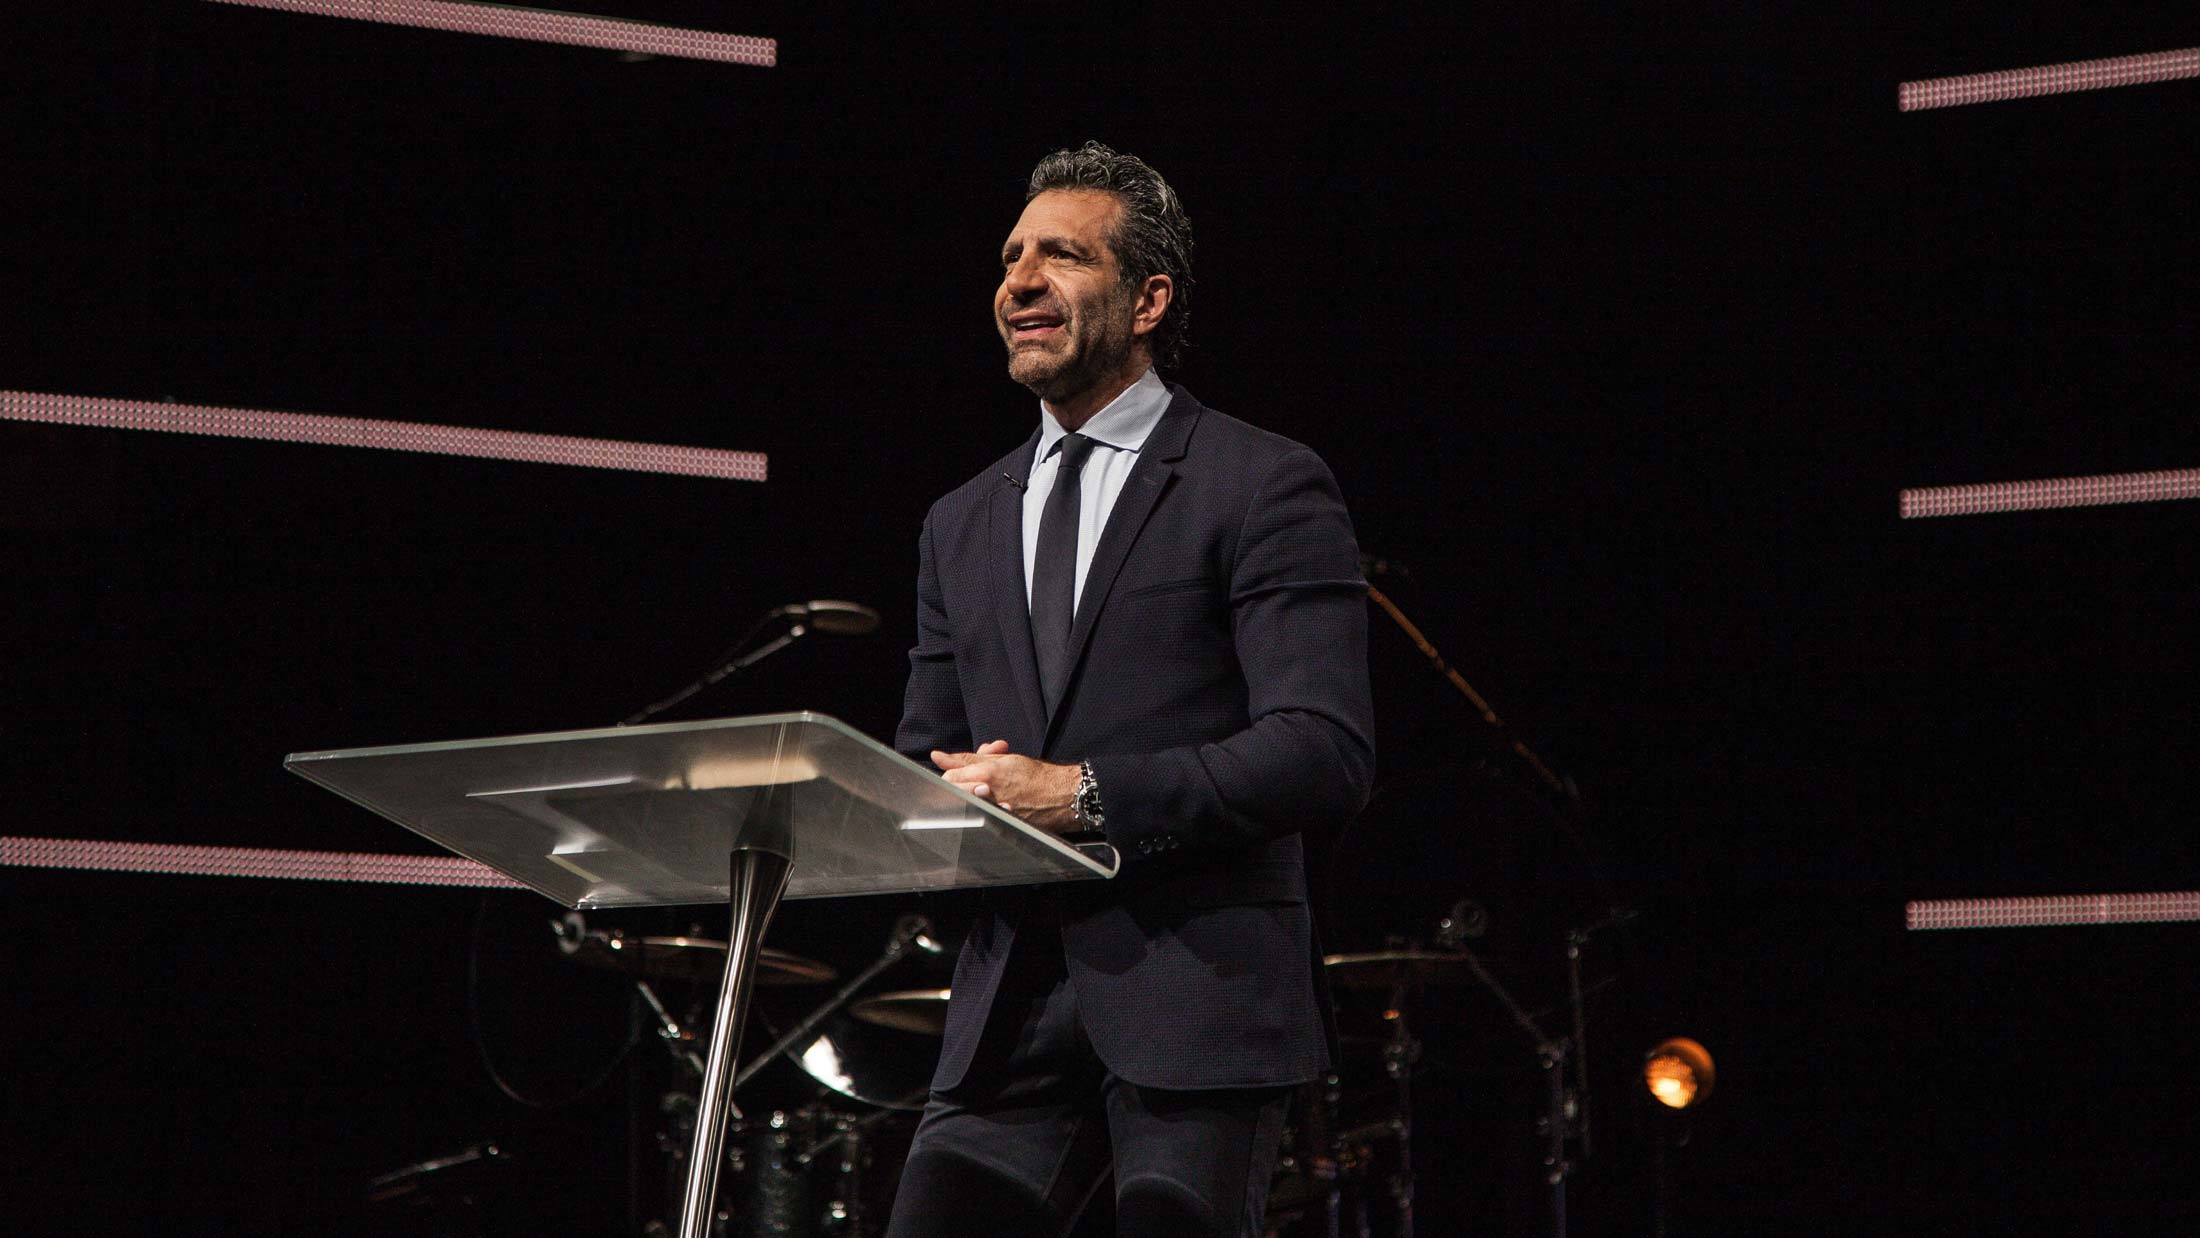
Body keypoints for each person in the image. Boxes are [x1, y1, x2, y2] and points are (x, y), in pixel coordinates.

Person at [887, 141, 1375, 1238]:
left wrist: (1084, 794)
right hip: (1006, 1010)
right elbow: (927, 755)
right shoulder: (958, 521)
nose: (1019, 282)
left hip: (1199, 999)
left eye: (1062, 256)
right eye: (1010, 258)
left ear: (1149, 300)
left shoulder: (1261, 481)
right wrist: (909, 804)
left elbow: (1322, 748)